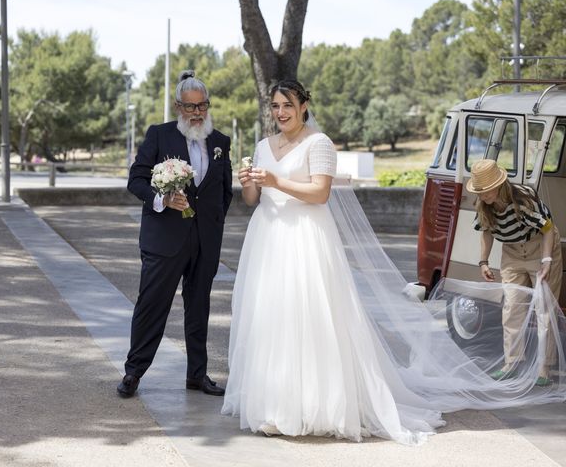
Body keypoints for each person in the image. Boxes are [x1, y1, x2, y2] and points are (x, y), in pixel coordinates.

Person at [221, 80, 566, 444]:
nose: (280, 113)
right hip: (268, 238)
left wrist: (277, 180)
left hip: (305, 237)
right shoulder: (262, 146)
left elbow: (320, 194)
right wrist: (252, 183)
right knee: (271, 317)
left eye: (287, 105)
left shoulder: (318, 144)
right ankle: (272, 403)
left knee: (307, 317)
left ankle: (309, 405)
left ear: (304, 105)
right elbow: (251, 199)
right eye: (275, 106)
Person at [117, 70, 232, 398]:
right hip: (164, 240)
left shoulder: (221, 142)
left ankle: (197, 374)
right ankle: (133, 373)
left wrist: (213, 225)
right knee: (151, 306)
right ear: (177, 106)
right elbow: (136, 179)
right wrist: (162, 199)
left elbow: (224, 192)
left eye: (202, 106)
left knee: (199, 308)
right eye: (190, 107)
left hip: (205, 242)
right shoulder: (159, 135)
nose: (197, 113)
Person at [467, 159, 563, 386]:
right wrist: (483, 261)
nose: (483, 196)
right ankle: (512, 363)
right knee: (512, 307)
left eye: (486, 191)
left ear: (499, 185)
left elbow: (548, 228)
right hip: (512, 253)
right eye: (479, 191)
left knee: (544, 308)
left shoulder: (523, 198)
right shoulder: (483, 205)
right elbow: (487, 232)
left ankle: (543, 369)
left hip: (540, 246)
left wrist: (547, 260)